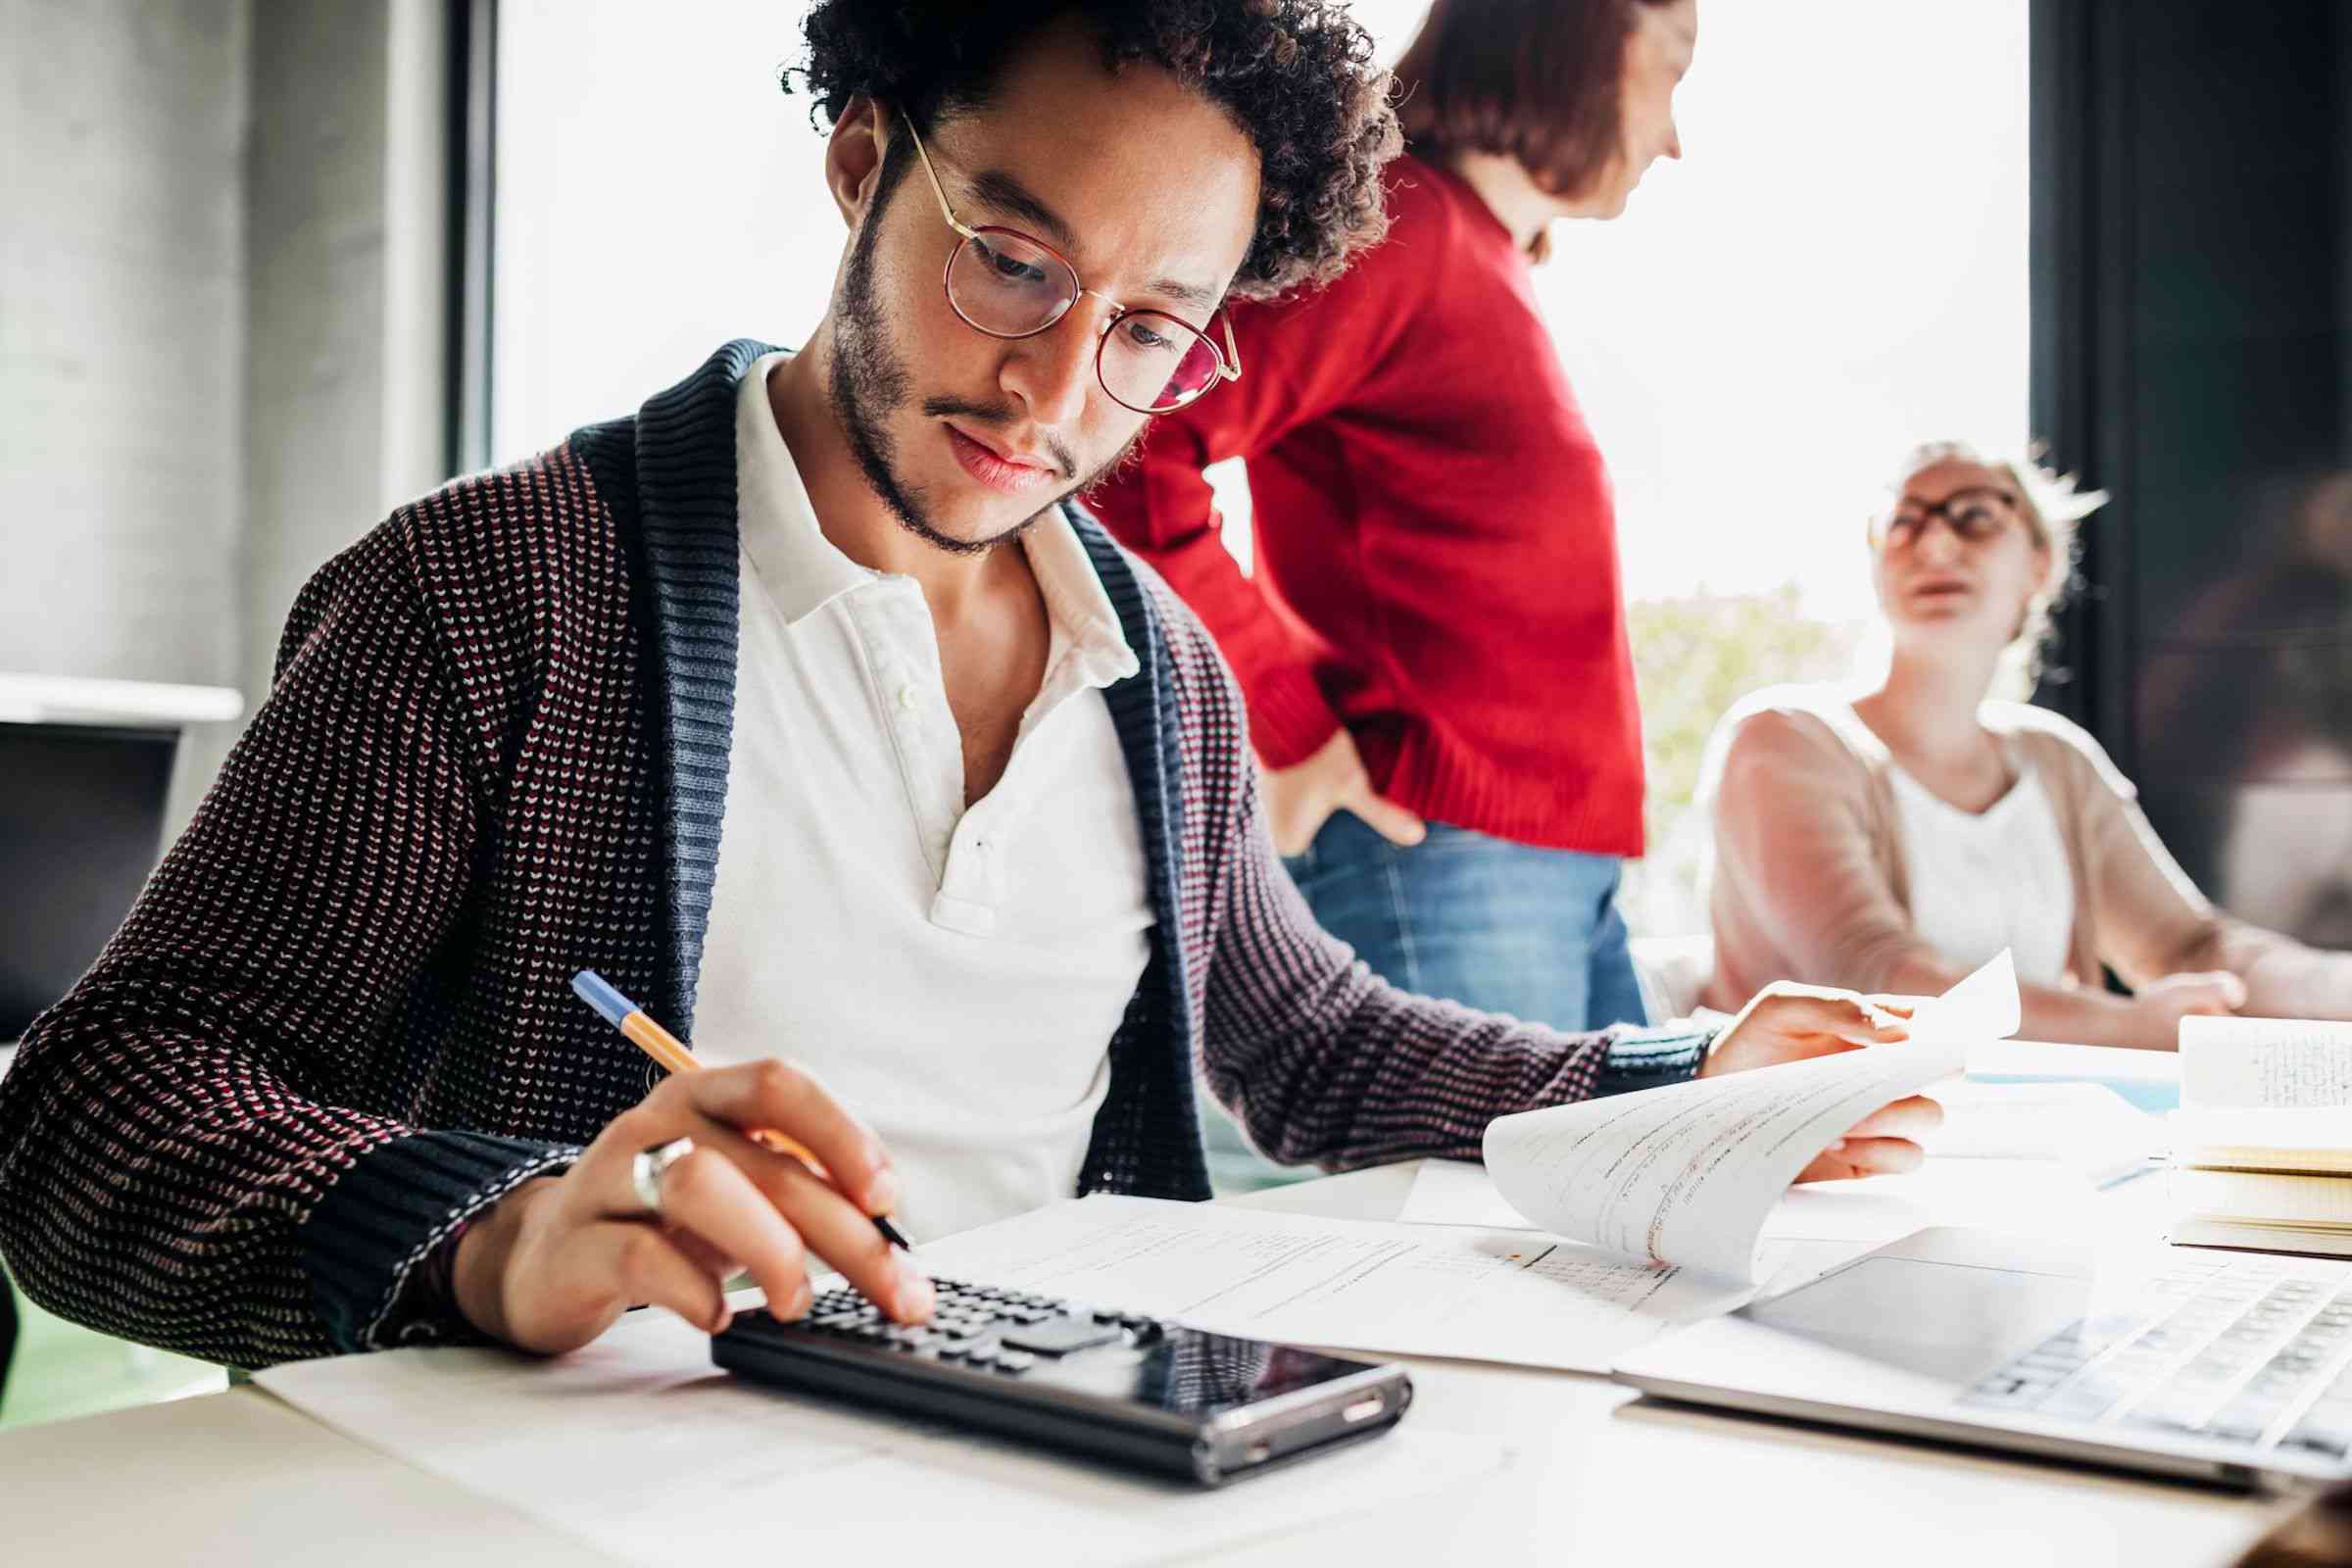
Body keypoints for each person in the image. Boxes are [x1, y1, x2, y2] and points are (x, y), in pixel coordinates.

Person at [0, 0, 1928, 1372]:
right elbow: (99, 1111)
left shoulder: (1152, 667)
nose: (1053, 387)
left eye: (1152, 332)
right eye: (1012, 261)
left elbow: (1313, 1041)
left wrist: (1681, 1073)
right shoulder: (495, 589)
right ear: (860, 164)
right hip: (583, 1495)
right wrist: (490, 1233)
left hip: (1052, 1479)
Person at [1086, 0, 1694, 1044]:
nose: (1673, 138)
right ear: (1577, 48)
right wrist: (1291, 729)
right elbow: (1128, 448)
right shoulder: (1403, 229)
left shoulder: (1474, 254)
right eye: (1671, 72)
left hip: (1542, 865)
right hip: (1445, 856)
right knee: (1472, 1211)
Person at [1701, 440, 2352, 1049]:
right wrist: (2125, 1026)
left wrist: (2331, 986)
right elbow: (1873, 974)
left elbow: (2189, 947)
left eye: (1975, 517)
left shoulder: (2056, 759)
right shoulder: (1785, 738)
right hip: (1827, 1150)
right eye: (1905, 521)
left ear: (2040, 564)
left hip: (2024, 1134)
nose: (1934, 545)